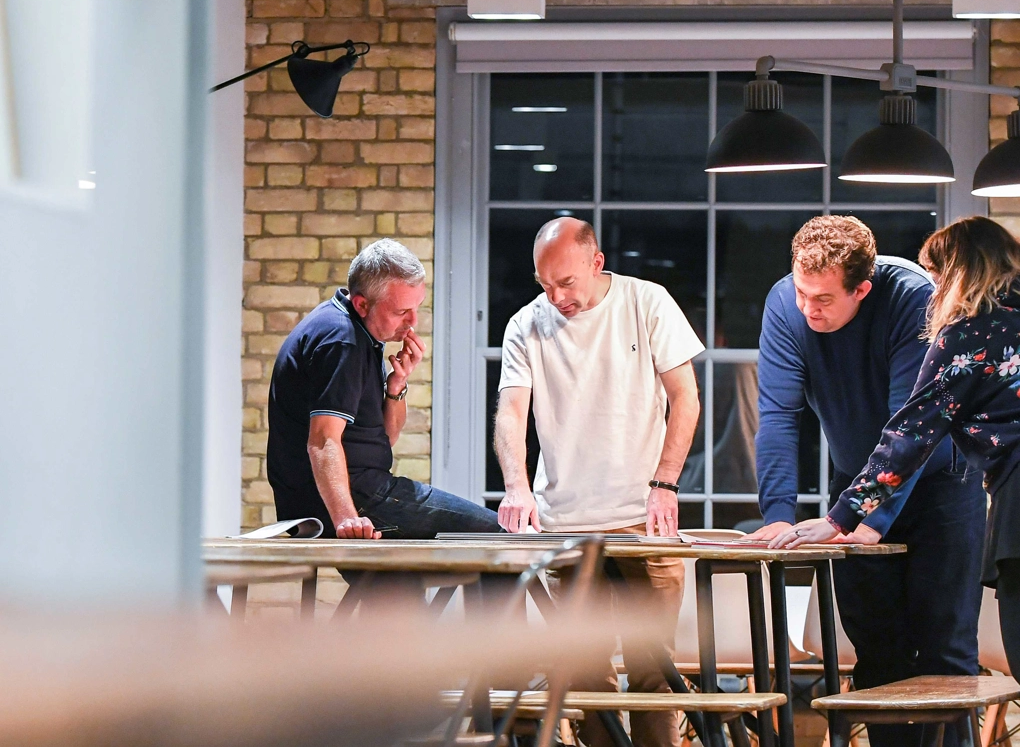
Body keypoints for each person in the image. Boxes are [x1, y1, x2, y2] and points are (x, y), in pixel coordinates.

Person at [746, 216, 984, 747]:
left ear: (862, 289)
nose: (809, 308)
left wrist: (872, 517)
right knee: (877, 652)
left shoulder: (912, 299)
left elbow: (912, 425)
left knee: (945, 653)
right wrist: (779, 514)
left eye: (825, 299)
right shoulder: (787, 303)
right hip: (856, 482)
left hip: (940, 482)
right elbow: (779, 415)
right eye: (803, 292)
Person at [775, 216, 1020, 681]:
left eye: (936, 278)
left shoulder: (969, 335)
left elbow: (911, 435)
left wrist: (841, 517)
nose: (933, 294)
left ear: (957, 276)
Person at [493, 217, 703, 747]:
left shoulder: (646, 302)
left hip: (642, 519)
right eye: (545, 284)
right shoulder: (525, 324)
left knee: (654, 670)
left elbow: (686, 398)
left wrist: (666, 483)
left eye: (566, 283)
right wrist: (516, 486)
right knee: (585, 672)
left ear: (596, 262)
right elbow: (511, 413)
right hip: (567, 523)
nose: (556, 296)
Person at [267, 239, 501, 539]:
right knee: (497, 533)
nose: (413, 322)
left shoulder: (359, 331)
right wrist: (347, 520)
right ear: (362, 304)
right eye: (403, 311)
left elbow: (384, 438)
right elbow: (323, 440)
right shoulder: (342, 340)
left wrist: (396, 387)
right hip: (352, 494)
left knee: (401, 583)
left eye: (417, 308)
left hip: (353, 488)